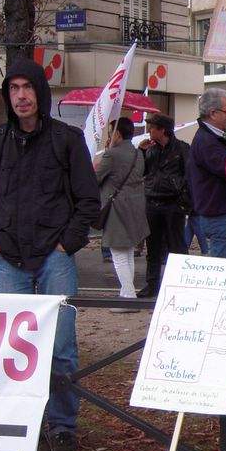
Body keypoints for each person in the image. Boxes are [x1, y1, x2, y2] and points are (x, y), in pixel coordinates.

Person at [0, 58, 100, 451]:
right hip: (6, 259)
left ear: (40, 92)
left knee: (61, 347)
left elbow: (88, 201)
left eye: (27, 87)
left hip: (54, 259)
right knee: (13, 350)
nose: (21, 96)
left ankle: (62, 424)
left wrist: (66, 245)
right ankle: (18, 423)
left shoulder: (66, 139)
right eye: (14, 89)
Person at [96, 117, 150, 312]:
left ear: (117, 134)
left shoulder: (112, 155)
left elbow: (96, 178)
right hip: (135, 206)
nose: (109, 137)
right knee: (127, 253)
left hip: (117, 207)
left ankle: (128, 296)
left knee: (118, 254)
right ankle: (127, 292)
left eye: (111, 133)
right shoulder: (138, 154)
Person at [188, 87, 226, 259]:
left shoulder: (219, 136)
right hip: (220, 215)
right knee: (225, 271)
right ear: (213, 113)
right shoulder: (206, 142)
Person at [137, 113, 190, 298]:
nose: (149, 130)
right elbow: (141, 173)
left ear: (162, 130)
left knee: (177, 247)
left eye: (152, 127)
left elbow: (189, 175)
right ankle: (152, 284)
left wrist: (184, 201)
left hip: (173, 203)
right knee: (153, 247)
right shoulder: (150, 150)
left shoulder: (181, 149)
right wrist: (142, 153)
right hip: (153, 201)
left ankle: (179, 284)